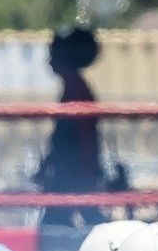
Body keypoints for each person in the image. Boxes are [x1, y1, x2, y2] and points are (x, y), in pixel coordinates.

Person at [37, 27, 107, 229]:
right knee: (67, 217)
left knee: (59, 221)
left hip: (74, 173)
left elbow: (83, 135)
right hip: (69, 171)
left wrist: (85, 172)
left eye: (54, 53)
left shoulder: (77, 89)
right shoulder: (73, 87)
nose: (50, 60)